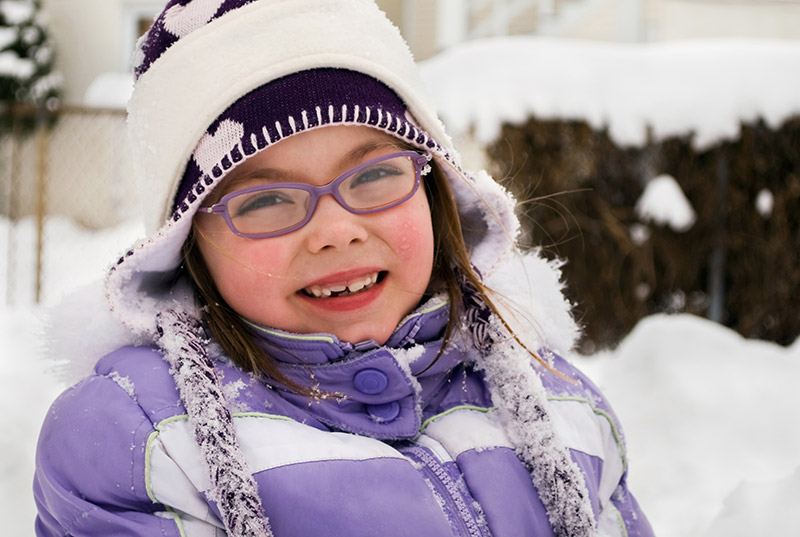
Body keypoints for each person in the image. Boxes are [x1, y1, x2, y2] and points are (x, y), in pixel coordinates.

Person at [34, 1, 654, 536]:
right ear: (188, 246)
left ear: (433, 188)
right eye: (266, 200)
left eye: (376, 174)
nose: (336, 231)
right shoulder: (140, 439)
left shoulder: (564, 407)